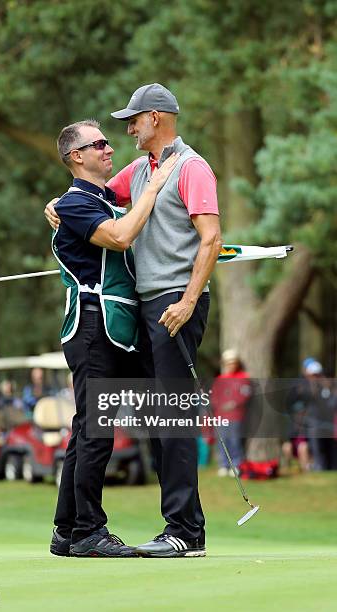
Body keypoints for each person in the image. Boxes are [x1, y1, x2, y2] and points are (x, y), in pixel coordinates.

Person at [46, 84, 222, 558]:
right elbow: (101, 206)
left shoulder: (192, 167)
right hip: (137, 312)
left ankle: (185, 532)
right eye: (102, 140)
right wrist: (57, 205)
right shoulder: (141, 171)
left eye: (133, 121)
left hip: (172, 304)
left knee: (170, 417)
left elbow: (211, 239)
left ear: (157, 118)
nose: (123, 133)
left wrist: (187, 301)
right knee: (111, 421)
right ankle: (75, 530)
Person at [48, 118, 178, 558]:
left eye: (106, 141)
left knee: (88, 429)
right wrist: (154, 187)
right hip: (90, 328)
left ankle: (66, 531)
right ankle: (88, 532)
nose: (108, 148)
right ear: (75, 157)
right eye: (97, 143)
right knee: (96, 432)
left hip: (115, 330)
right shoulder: (76, 204)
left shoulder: (98, 199)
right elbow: (121, 237)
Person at [211, 349, 251, 476]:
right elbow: (214, 397)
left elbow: (245, 395)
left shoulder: (243, 378)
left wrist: (233, 404)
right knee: (222, 441)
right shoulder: (220, 379)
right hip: (220, 416)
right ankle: (223, 465)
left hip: (236, 415)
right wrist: (218, 405)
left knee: (235, 441)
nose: (231, 365)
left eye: (233, 362)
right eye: (228, 363)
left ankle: (236, 465)